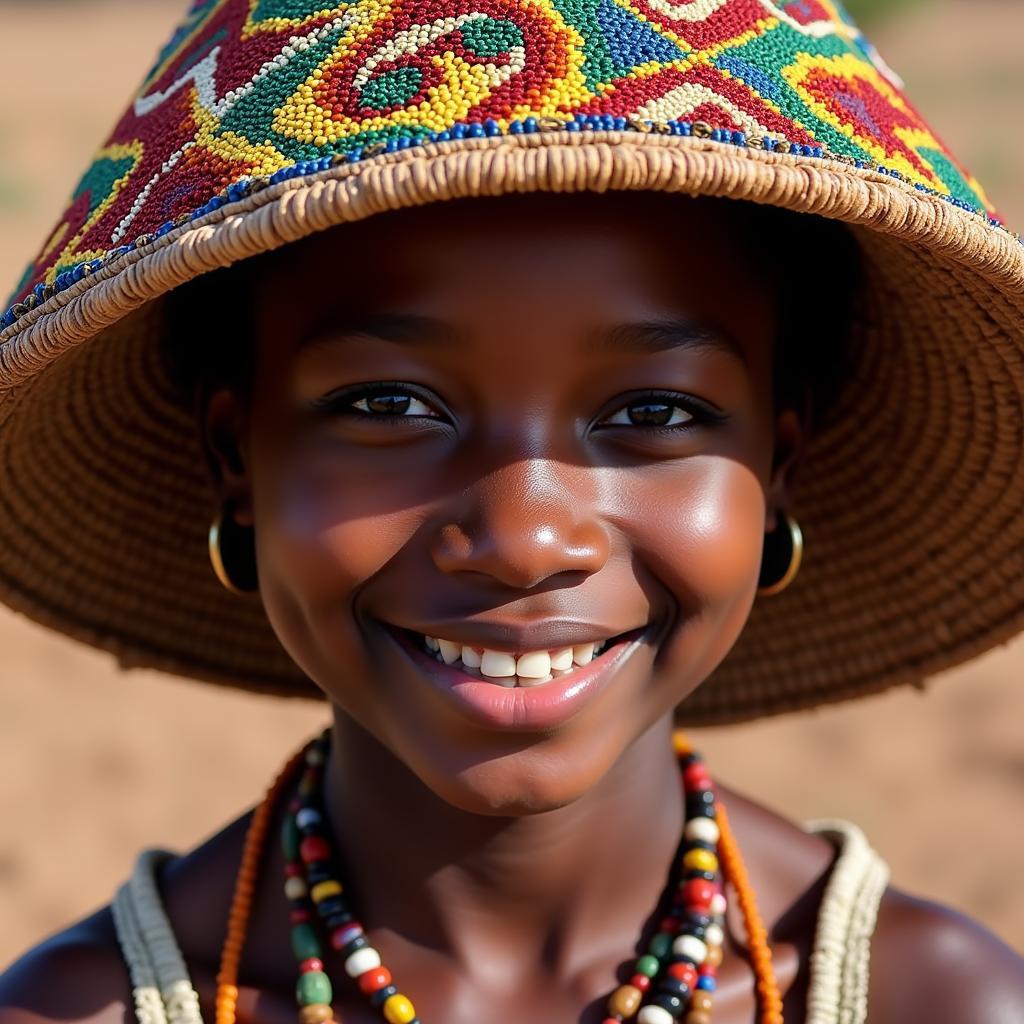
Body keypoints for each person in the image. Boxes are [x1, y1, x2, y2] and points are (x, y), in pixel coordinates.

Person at [0, 1, 1022, 1022]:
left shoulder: (934, 1000)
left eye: (653, 411)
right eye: (389, 404)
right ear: (237, 458)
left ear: (776, 469)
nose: (526, 541)